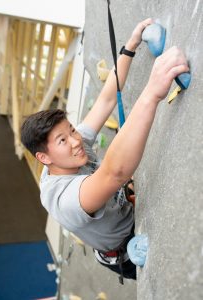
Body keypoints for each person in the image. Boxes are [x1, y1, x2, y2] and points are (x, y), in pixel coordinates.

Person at [21, 18, 189, 284]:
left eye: (72, 130)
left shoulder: (72, 148)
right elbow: (115, 173)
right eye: (63, 140)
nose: (76, 141)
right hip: (123, 250)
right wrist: (153, 92)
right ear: (44, 157)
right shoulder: (64, 199)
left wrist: (130, 45)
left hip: (124, 211)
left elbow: (107, 99)